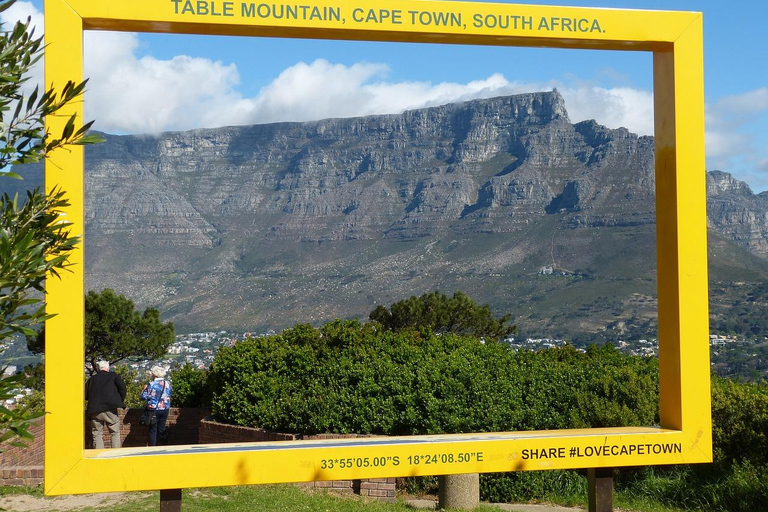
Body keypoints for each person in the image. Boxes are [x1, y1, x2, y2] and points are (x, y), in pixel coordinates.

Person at [85, 360, 126, 449]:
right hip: (110, 407)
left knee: (97, 434)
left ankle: (99, 455)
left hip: (95, 409)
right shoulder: (113, 376)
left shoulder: (92, 379)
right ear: (107, 368)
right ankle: (115, 453)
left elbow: (85, 394)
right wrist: (120, 400)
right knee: (114, 432)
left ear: (99, 368)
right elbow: (122, 388)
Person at [140, 365, 172, 446]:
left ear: (155, 374)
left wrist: (143, 390)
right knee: (162, 429)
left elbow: (144, 397)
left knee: (153, 430)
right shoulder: (167, 383)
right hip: (165, 408)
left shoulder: (152, 384)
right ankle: (164, 446)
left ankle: (152, 448)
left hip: (153, 409)